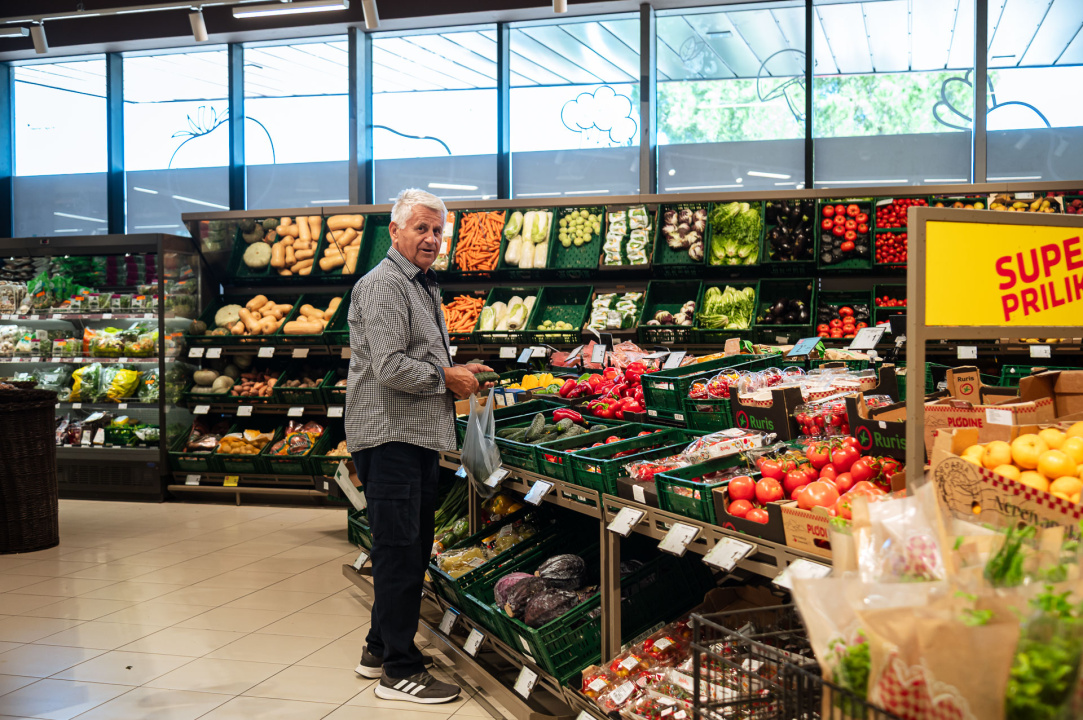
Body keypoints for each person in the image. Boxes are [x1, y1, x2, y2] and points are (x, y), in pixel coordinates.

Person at [346, 188, 492, 704]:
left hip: (413, 436)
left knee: (403, 550)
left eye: (437, 230)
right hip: (391, 437)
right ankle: (400, 673)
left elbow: (419, 358)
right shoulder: (384, 284)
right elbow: (389, 367)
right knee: (401, 553)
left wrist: (457, 370)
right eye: (421, 228)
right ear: (396, 231)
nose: (432, 238)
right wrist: (445, 379)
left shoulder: (421, 284)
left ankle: (379, 649)